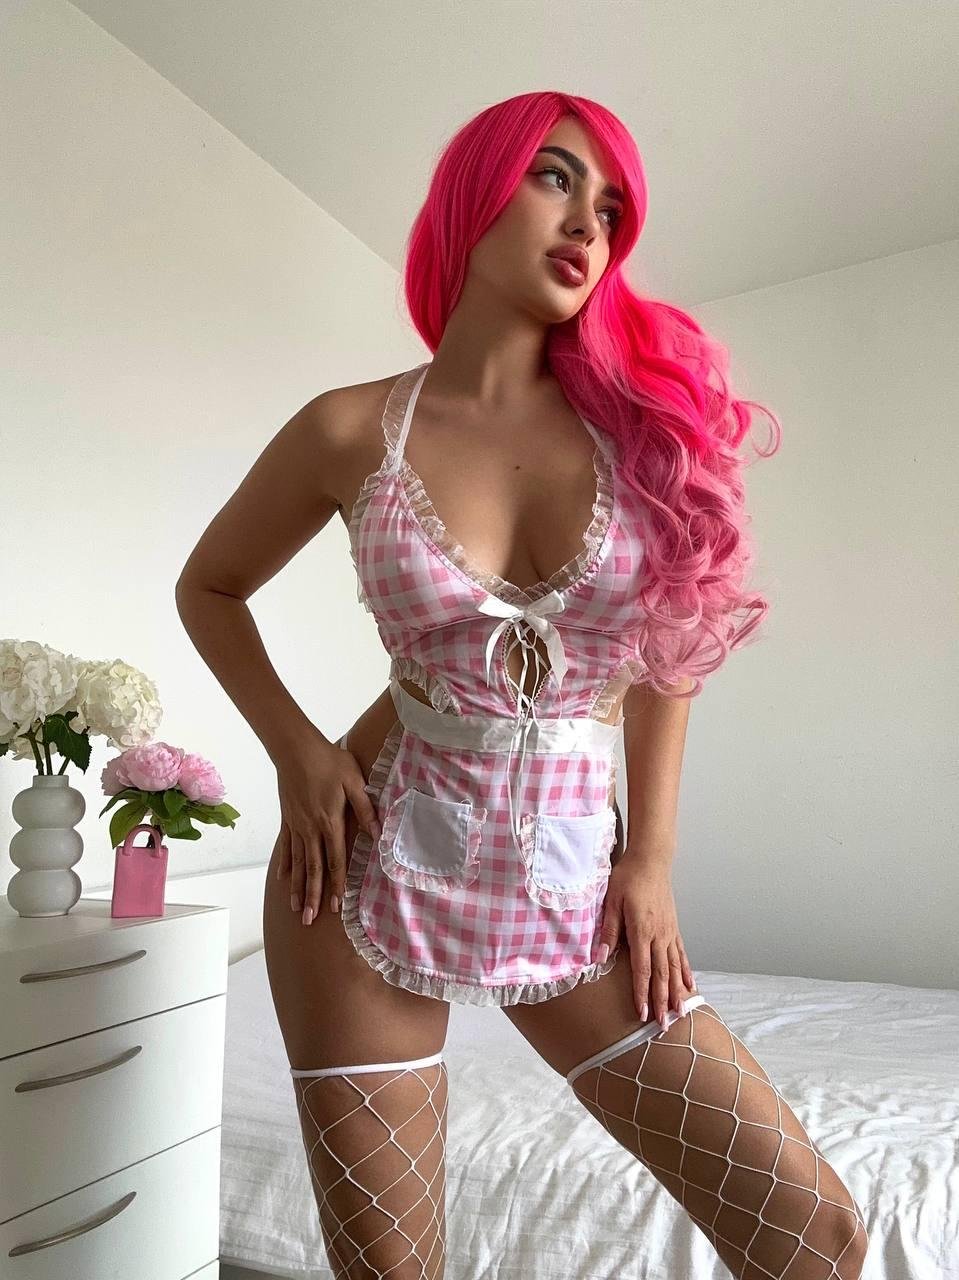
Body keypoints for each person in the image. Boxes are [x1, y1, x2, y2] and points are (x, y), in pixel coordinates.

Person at [176, 92, 869, 1280]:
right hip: (361, 871)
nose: (587, 223)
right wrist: (297, 747)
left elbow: (670, 658)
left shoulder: (643, 433)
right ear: (474, 191)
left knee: (815, 1234)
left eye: (611, 209)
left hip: (578, 880)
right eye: (555, 177)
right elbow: (211, 587)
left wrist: (649, 859)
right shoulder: (348, 429)